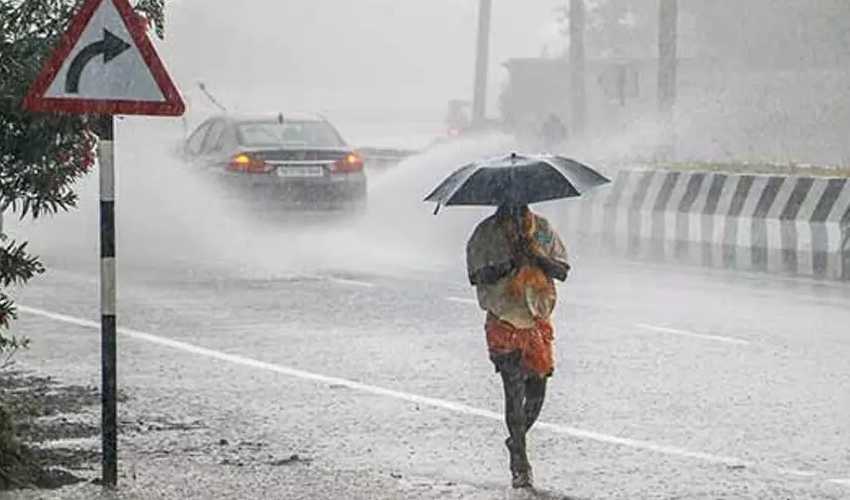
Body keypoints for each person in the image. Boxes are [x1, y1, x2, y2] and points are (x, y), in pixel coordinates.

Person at [466, 204, 570, 489]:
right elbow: (475, 274)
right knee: (513, 391)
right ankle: (520, 465)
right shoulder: (486, 234)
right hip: (503, 319)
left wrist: (537, 257)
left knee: (537, 391)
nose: (517, 207)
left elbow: (562, 270)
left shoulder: (543, 230)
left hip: (536, 319)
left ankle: (516, 440)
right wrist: (507, 266)